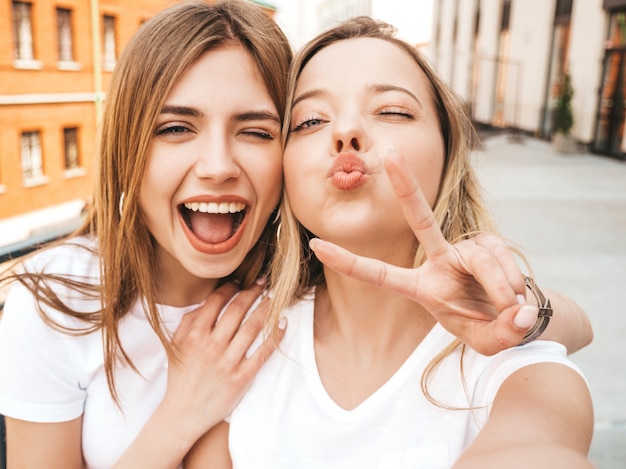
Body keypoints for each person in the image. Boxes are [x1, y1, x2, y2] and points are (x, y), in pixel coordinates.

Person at [185, 16, 594, 469]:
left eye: (393, 111)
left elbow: (541, 446)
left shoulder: (505, 359)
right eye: (310, 120)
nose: (345, 132)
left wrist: (517, 309)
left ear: (447, 152)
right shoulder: (236, 342)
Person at [0, 1, 292, 468]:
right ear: (126, 148)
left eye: (255, 132)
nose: (218, 166)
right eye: (175, 128)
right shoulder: (56, 300)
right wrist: (182, 412)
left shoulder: (310, 300)